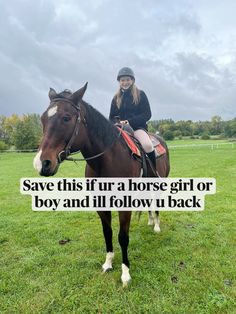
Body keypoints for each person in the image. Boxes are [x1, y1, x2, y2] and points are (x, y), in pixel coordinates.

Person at [109, 67, 156, 171]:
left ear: (132, 80)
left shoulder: (141, 94)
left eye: (128, 79)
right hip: (119, 130)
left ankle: (154, 174)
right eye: (122, 80)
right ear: (119, 82)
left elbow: (147, 114)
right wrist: (118, 123)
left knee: (147, 146)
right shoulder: (115, 98)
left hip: (137, 128)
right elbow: (111, 118)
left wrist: (129, 121)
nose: (125, 82)